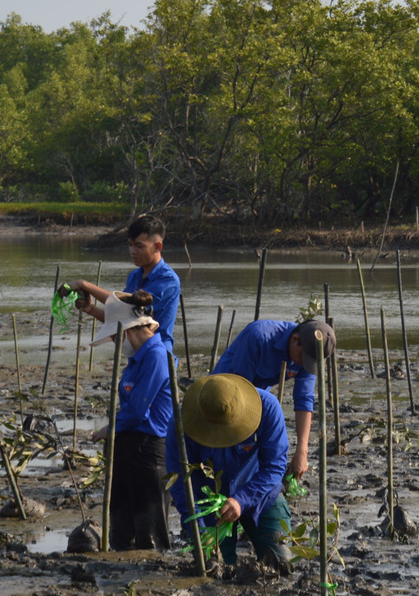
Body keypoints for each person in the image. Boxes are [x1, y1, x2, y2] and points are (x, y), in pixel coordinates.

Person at [167, 374, 293, 571]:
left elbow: (275, 466)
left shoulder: (267, 407)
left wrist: (241, 500)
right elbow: (182, 484)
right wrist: (200, 531)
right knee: (214, 569)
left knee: (281, 565)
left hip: (260, 493)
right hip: (209, 504)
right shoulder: (181, 424)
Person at [89, 291, 175, 550]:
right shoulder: (135, 360)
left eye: (115, 336)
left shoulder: (157, 356)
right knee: (121, 532)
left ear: (130, 329)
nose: (115, 341)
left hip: (150, 453)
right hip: (127, 449)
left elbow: (138, 409)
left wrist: (107, 429)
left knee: (149, 537)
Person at [212, 319, 336, 480]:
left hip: (258, 395)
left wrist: (302, 451)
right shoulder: (259, 337)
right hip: (224, 393)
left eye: (310, 362)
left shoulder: (309, 356)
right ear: (295, 339)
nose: (304, 365)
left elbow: (304, 400)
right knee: (227, 454)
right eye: (303, 358)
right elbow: (240, 389)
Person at [70, 215, 181, 350]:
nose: (133, 251)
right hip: (137, 354)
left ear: (158, 246)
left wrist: (84, 285)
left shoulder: (168, 280)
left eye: (139, 246)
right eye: (130, 245)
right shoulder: (134, 276)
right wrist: (91, 309)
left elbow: (127, 306)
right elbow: (125, 319)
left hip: (158, 353)